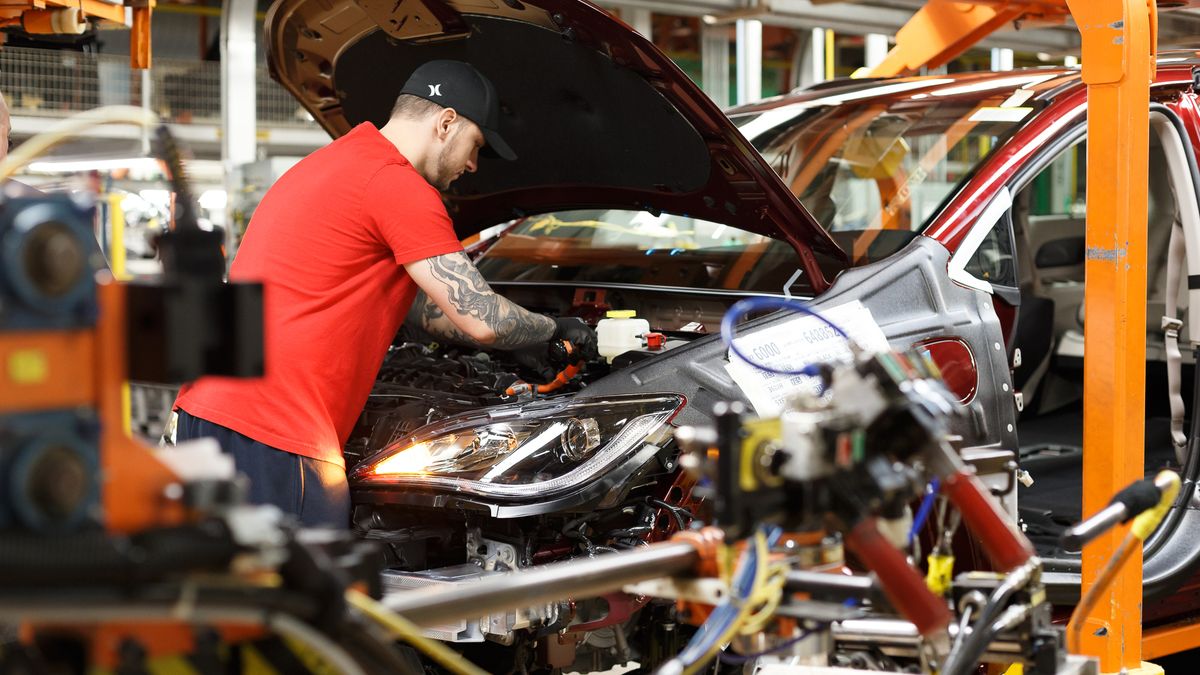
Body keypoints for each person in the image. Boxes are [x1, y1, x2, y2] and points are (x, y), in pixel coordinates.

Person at [174, 60, 597, 527]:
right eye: (476, 146)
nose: (473, 166)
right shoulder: (397, 184)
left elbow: (426, 310)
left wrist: (520, 346)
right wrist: (556, 330)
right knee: (308, 593)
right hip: (276, 432)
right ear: (446, 122)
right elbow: (484, 317)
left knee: (223, 593)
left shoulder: (334, 162)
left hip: (208, 414)